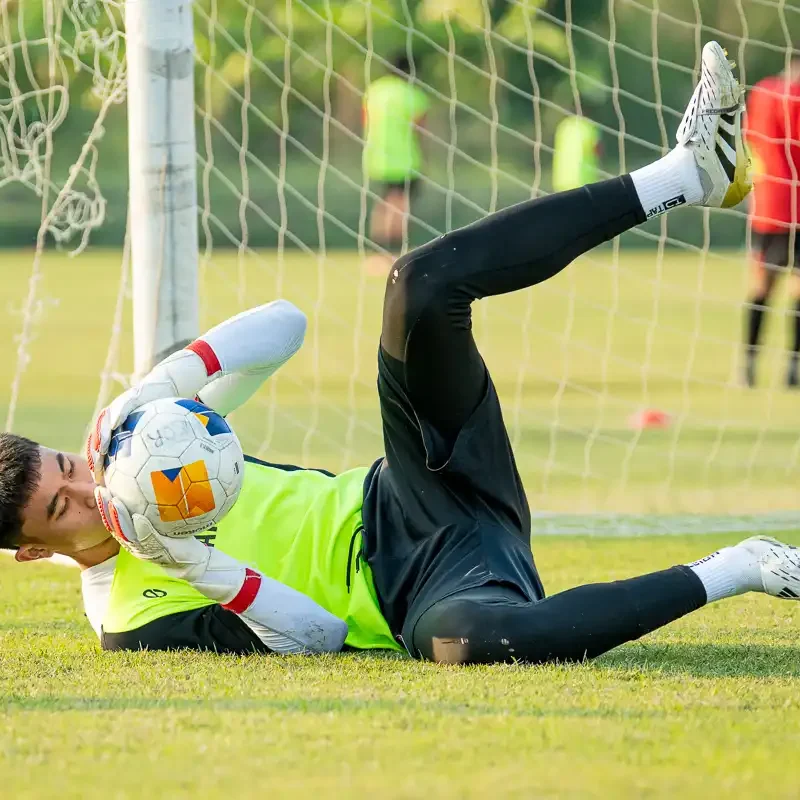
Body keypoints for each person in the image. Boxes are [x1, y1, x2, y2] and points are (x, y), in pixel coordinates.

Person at [2, 42, 793, 665]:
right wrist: (187, 562)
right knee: (470, 645)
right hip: (423, 592)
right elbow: (315, 638)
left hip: (415, 484)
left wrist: (157, 386)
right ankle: (744, 566)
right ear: (35, 552)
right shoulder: (129, 619)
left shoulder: (148, 440)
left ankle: (685, 172)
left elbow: (283, 325)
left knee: (418, 284)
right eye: (61, 506)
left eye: (67, 466)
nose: (88, 487)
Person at [743, 53, 800, 388]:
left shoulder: (762, 93)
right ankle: (793, 368)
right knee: (796, 288)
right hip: (793, 207)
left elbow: (750, 140)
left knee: (762, 286)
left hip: (767, 205)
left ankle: (748, 366)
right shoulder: (793, 98)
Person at [363, 53, 429, 273]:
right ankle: (393, 254)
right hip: (405, 159)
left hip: (377, 157)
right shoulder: (414, 95)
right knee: (400, 205)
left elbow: (366, 120)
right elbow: (419, 129)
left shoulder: (374, 90)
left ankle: (377, 253)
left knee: (384, 204)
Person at [552, 114, 601, 193]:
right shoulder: (588, 127)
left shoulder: (563, 126)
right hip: (583, 182)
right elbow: (598, 150)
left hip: (562, 181)